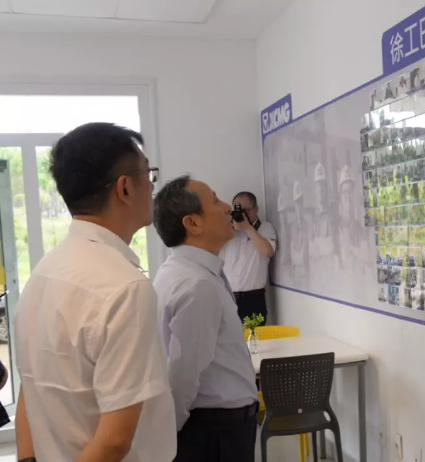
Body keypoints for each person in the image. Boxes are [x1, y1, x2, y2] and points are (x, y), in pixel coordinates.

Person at [13, 123, 176, 462]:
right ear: (125, 187)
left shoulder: (43, 274)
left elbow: (30, 386)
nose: (152, 187)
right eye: (148, 174)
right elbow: (114, 441)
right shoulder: (124, 288)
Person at [153, 176, 258, 462]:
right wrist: (171, 440)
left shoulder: (183, 271)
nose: (227, 208)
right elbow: (182, 376)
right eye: (215, 201)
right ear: (193, 223)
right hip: (214, 434)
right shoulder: (197, 285)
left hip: (215, 429)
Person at [220, 192, 276, 323]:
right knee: (228, 336)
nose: (242, 215)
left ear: (256, 209)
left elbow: (268, 251)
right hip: (228, 297)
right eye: (239, 211)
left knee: (254, 336)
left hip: (253, 299)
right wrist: (225, 225)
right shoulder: (228, 231)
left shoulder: (265, 228)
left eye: (246, 210)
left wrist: (248, 228)